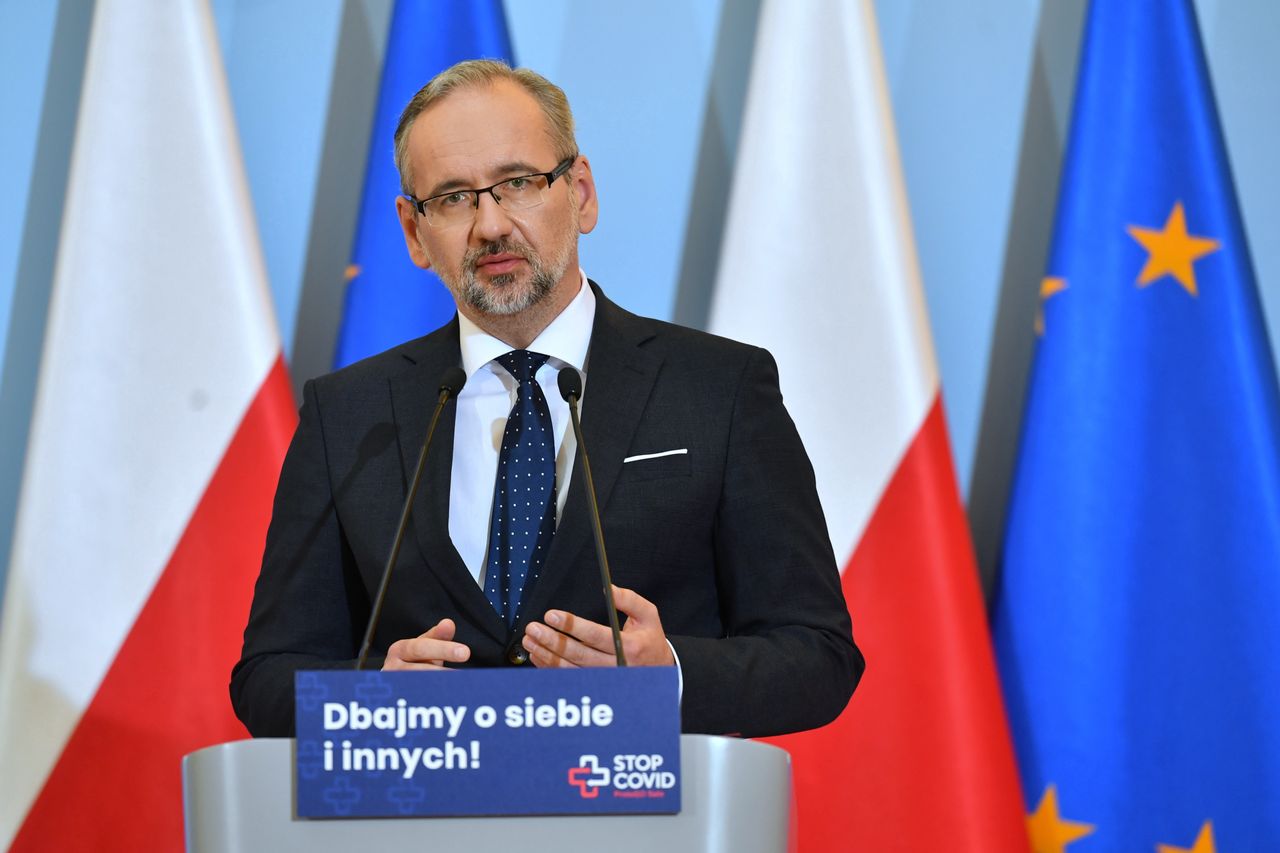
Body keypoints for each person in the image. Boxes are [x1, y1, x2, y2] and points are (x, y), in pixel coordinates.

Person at [231, 60, 862, 738]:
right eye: (452, 198)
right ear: (414, 233)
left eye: (519, 183)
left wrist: (672, 671)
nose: (491, 225)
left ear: (581, 193)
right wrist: (368, 695)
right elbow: (266, 676)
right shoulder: (349, 415)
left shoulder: (720, 388)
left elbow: (818, 654)